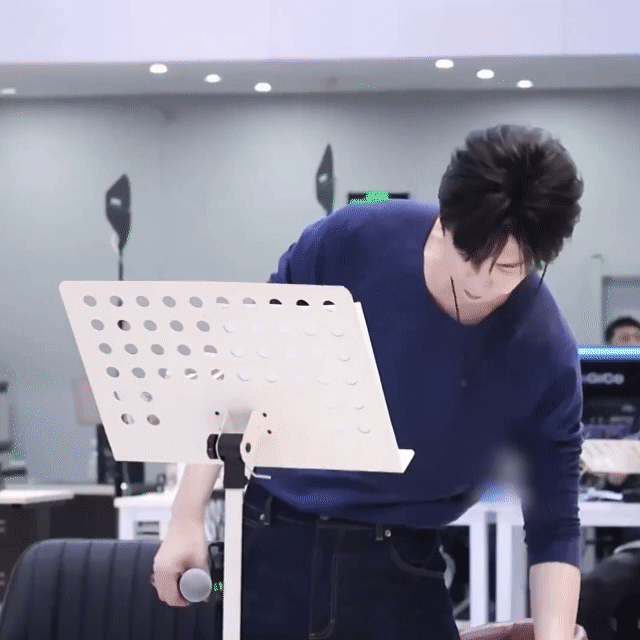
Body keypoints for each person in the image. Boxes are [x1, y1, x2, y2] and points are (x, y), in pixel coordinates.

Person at [152, 124, 585, 640]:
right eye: (467, 254)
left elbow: (555, 522)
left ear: (538, 259)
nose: (478, 282)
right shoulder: (353, 240)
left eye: (507, 268)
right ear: (443, 219)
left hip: (402, 560)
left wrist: (555, 634)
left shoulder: (543, 349)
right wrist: (186, 515)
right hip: (273, 533)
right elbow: (242, 371)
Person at [576, 316, 640, 640]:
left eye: (636, 338)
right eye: (623, 338)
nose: (631, 345)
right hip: (632, 546)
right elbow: (609, 478)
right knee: (590, 592)